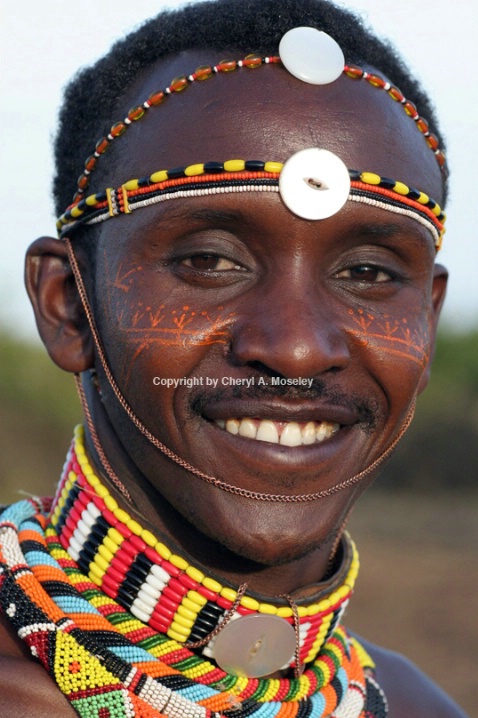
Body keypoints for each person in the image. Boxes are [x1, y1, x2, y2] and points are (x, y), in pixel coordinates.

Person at [0, 0, 468, 716]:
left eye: (368, 274)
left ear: (428, 321)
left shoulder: (411, 706)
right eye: (210, 261)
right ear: (68, 304)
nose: (297, 347)